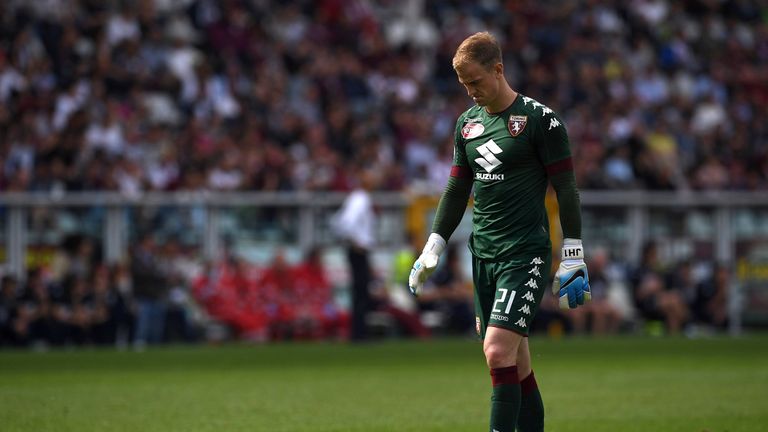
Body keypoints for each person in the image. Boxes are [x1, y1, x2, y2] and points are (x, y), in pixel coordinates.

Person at [408, 32, 590, 432]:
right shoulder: (467, 126)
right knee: (517, 365)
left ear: (498, 69)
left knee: (496, 352)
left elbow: (566, 188)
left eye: (476, 81)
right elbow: (457, 188)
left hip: (525, 254)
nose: (471, 92)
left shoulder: (541, 121)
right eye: (464, 85)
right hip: (483, 256)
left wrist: (573, 253)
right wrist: (433, 244)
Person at [332, 168, 378, 342]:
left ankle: (359, 332)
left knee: (360, 292)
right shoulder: (360, 199)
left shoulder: (357, 198)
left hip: (357, 249)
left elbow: (339, 222)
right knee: (361, 292)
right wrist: (355, 242)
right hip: (358, 250)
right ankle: (359, 334)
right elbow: (345, 223)